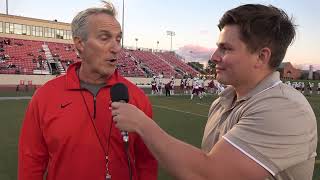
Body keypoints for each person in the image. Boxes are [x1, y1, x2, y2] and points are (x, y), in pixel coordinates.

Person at [111, 4, 317, 180]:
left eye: (226, 48)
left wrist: (142, 124)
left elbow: (208, 174)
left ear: (261, 57)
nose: (214, 57)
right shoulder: (222, 101)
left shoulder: (285, 109)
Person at [18, 3, 157, 180]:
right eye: (105, 38)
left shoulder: (137, 98)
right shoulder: (44, 97)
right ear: (80, 43)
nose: (117, 48)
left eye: (118, 39)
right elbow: (31, 162)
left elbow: (146, 162)